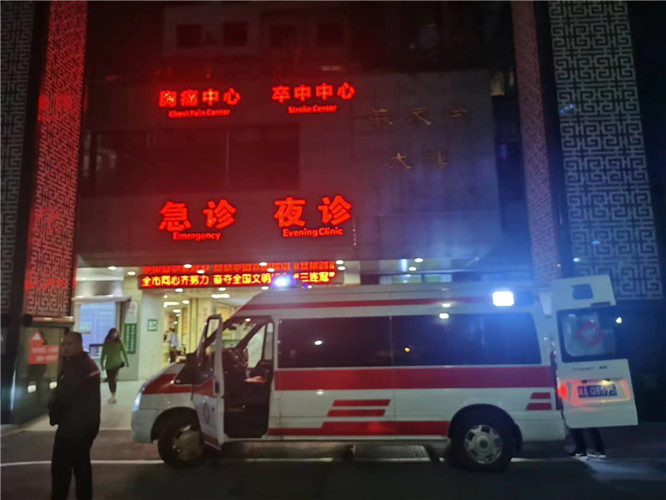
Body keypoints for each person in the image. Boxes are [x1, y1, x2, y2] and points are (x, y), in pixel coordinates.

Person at [48, 331, 101, 500]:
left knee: (61, 469)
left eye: (69, 344)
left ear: (79, 344)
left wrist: (54, 414)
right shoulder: (90, 364)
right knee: (82, 465)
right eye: (63, 344)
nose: (65, 348)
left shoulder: (76, 367)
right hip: (89, 424)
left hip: (72, 426)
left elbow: (63, 397)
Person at [100, 327, 129, 404]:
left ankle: (113, 396)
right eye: (113, 334)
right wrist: (102, 364)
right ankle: (112, 394)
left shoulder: (119, 342)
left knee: (112, 379)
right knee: (110, 380)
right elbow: (103, 354)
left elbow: (124, 352)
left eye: (115, 334)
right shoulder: (107, 343)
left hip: (116, 364)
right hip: (108, 365)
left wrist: (127, 361)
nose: (114, 335)